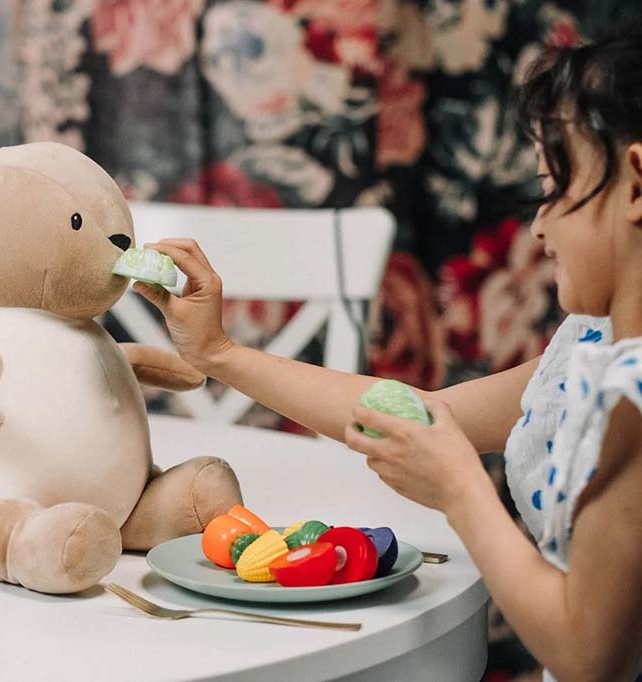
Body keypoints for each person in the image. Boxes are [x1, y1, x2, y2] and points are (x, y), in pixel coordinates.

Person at [135, 19, 642, 681]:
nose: (538, 226)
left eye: (553, 190)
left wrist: (460, 490)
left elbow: (588, 656)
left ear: (636, 186)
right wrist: (217, 352)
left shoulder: (632, 395)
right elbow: (423, 411)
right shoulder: (591, 343)